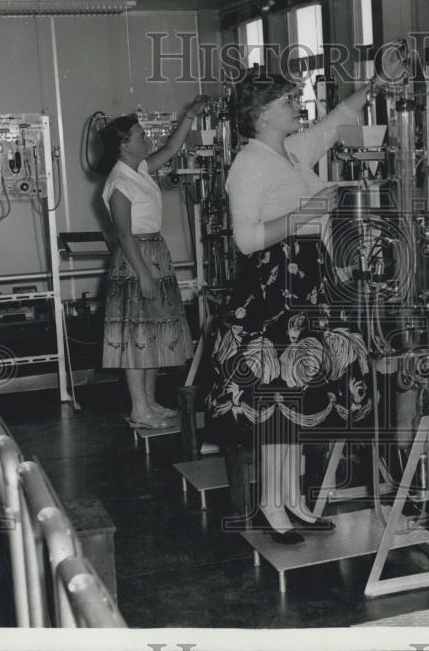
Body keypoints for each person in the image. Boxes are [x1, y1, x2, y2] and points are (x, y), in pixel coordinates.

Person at [205, 71, 381, 544]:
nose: (296, 105)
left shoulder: (292, 151)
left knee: (298, 394)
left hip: (303, 284)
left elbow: (339, 118)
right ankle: (270, 505)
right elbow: (245, 240)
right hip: (269, 288)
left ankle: (293, 499)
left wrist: (378, 82)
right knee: (274, 400)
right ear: (262, 114)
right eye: (288, 101)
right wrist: (309, 212)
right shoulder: (248, 163)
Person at [99, 97, 207, 429]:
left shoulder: (140, 169)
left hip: (154, 254)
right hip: (136, 261)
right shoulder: (119, 182)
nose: (147, 139)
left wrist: (189, 116)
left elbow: (172, 149)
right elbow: (125, 235)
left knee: (155, 333)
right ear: (123, 145)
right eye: (140, 135)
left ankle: (149, 403)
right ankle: (138, 410)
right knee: (136, 336)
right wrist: (144, 275)